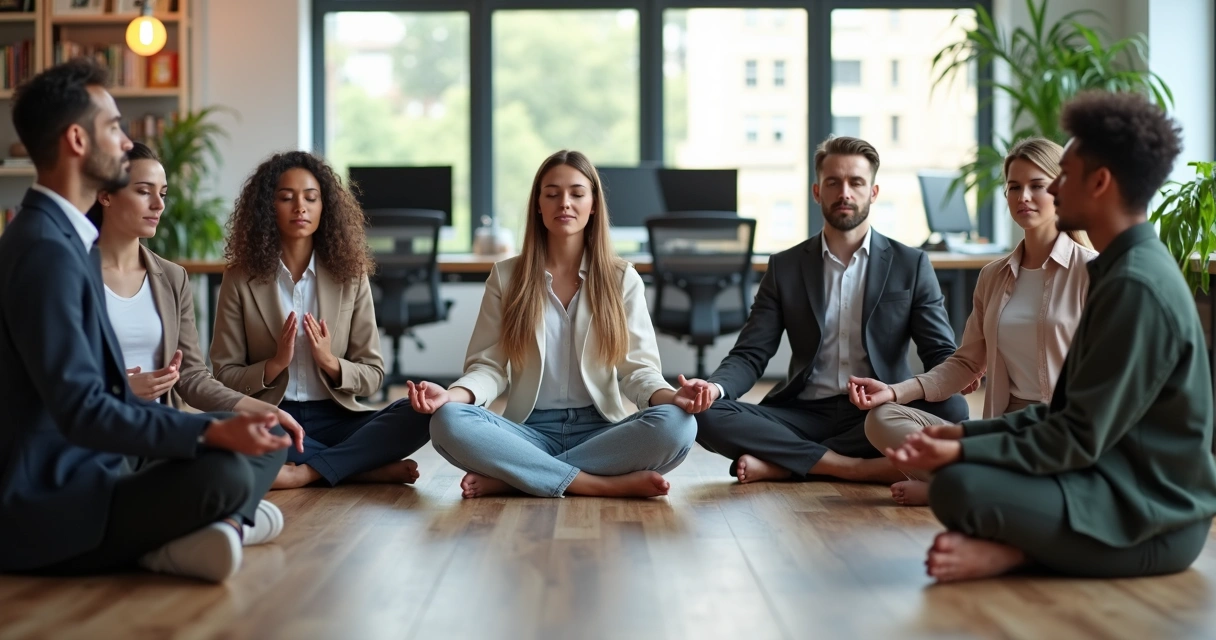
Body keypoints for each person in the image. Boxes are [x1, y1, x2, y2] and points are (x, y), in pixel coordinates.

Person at [887, 91, 1216, 582]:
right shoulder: (1121, 268)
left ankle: (1019, 555)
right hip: (1107, 481)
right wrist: (960, 433)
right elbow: (1064, 417)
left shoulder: (1134, 283)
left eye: (1062, 176)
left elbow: (1075, 437)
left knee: (959, 487)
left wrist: (962, 449)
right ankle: (1019, 549)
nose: (1052, 190)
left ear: (1099, 182)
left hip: (1153, 520)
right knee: (959, 478)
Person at [0, 59, 291, 583]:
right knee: (225, 468)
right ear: (76, 140)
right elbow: (84, 412)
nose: (125, 140)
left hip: (98, 467)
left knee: (263, 436)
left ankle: (202, 530)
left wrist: (218, 426)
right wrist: (208, 435)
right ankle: (180, 538)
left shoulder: (65, 241)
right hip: (53, 499)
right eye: (113, 127)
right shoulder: (45, 251)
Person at [409, 150, 704, 499]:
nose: (564, 203)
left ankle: (518, 476)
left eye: (577, 193)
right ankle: (595, 484)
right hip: (527, 430)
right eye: (552, 194)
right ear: (538, 204)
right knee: (447, 422)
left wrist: (672, 397)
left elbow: (637, 371)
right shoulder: (506, 277)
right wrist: (451, 395)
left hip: (602, 432)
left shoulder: (622, 278)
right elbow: (489, 368)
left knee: (678, 425)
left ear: (593, 204)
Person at [685, 136, 968, 484]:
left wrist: (956, 377)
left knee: (953, 408)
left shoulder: (911, 264)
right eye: (833, 182)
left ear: (873, 193)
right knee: (704, 414)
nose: (844, 192)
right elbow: (750, 354)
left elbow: (939, 351)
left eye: (856, 182)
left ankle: (789, 461)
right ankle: (852, 467)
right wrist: (714, 389)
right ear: (817, 191)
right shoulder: (785, 267)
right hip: (801, 411)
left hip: (880, 411)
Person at [850, 138, 1097, 505]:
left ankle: (957, 487)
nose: (1023, 196)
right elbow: (966, 363)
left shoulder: (1092, 271)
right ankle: (978, 485)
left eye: (1037, 186)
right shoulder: (993, 276)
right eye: (1014, 187)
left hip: (1063, 435)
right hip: (1001, 432)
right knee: (882, 420)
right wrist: (895, 391)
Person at [210, 151, 431, 489]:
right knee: (225, 427)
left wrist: (331, 363)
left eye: (311, 198)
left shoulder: (351, 276)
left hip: (338, 417)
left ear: (324, 206)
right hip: (273, 416)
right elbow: (224, 376)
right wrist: (274, 364)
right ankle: (358, 467)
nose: (300, 207)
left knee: (419, 414)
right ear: (268, 208)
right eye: (286, 198)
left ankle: (307, 471)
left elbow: (373, 374)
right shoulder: (240, 278)